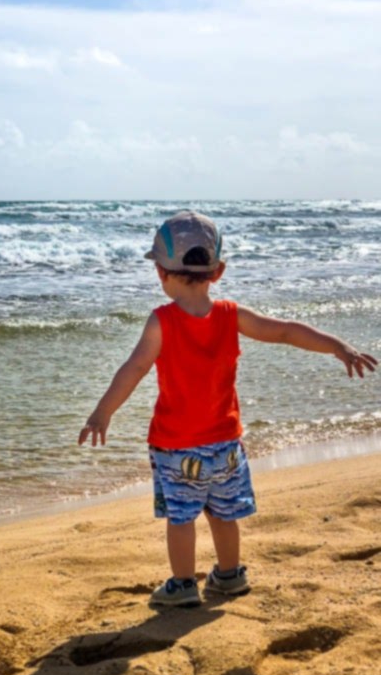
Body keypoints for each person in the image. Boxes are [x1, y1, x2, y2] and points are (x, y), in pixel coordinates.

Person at [78, 211, 377, 608]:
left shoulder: (162, 321)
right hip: (226, 445)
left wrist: (103, 412)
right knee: (223, 512)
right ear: (217, 272)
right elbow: (285, 330)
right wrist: (337, 345)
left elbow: (133, 369)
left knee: (182, 517)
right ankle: (230, 575)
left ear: (161, 274)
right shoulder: (231, 315)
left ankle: (184, 584)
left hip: (177, 447)